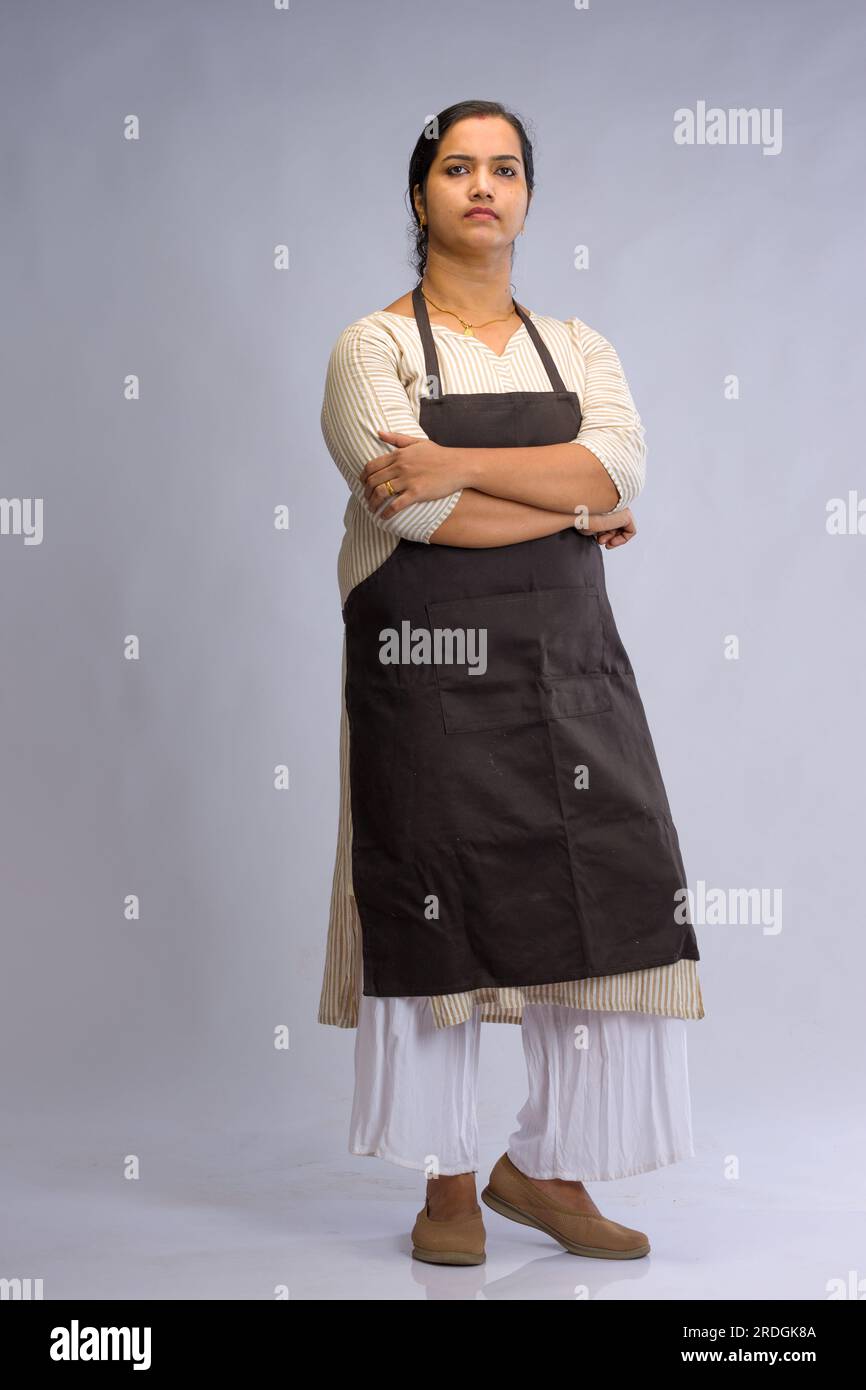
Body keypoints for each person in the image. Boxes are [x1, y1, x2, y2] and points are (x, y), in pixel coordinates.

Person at [318, 99, 704, 1265]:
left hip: (569, 677)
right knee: (434, 899)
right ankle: (444, 1182)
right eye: (455, 168)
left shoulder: (579, 347)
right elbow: (416, 510)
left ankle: (542, 1169)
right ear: (421, 194)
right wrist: (573, 505)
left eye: (503, 168)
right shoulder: (371, 349)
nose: (480, 185)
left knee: (603, 900)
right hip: (425, 676)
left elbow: (618, 460)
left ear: (526, 195)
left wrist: (483, 462)